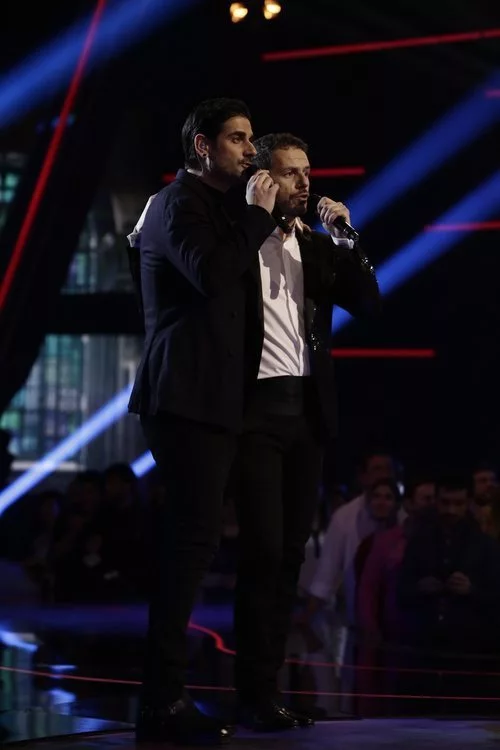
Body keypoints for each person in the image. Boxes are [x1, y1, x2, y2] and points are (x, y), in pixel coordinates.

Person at [128, 100, 380, 744]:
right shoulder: (200, 214)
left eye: (307, 173)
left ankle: (256, 694)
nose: (303, 183)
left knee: (283, 550)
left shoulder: (300, 242)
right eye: (287, 170)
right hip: (228, 407)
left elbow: (366, 300)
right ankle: (167, 699)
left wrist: (344, 237)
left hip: (300, 410)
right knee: (224, 546)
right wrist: (255, 215)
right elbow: (208, 279)